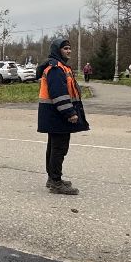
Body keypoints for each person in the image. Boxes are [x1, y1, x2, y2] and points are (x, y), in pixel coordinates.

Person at [36, 36, 90, 195]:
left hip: (54, 114)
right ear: (57, 50)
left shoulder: (60, 67)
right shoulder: (55, 68)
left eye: (69, 48)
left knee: (54, 147)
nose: (69, 51)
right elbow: (59, 94)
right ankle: (56, 183)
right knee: (59, 148)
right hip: (57, 115)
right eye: (65, 48)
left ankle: (52, 178)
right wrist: (70, 113)